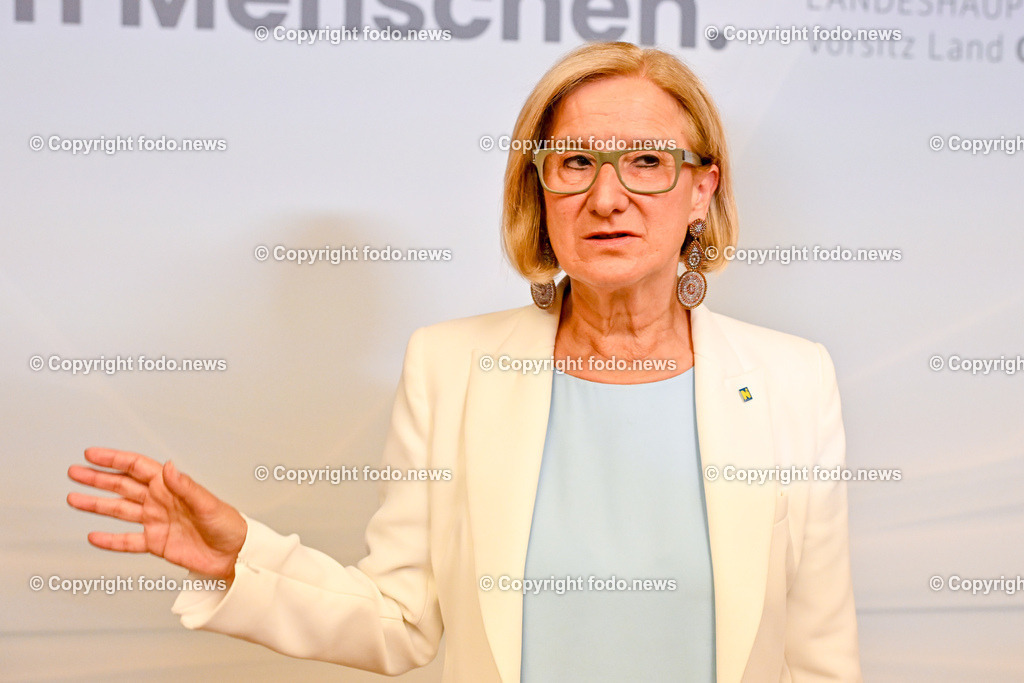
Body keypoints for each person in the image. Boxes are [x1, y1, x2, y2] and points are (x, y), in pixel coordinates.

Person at [67, 41, 862, 682]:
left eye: (647, 162)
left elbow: (821, 656)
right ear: (540, 190)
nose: (608, 197)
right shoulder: (451, 367)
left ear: (701, 190)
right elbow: (400, 619)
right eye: (575, 162)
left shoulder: (794, 379)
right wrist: (242, 558)